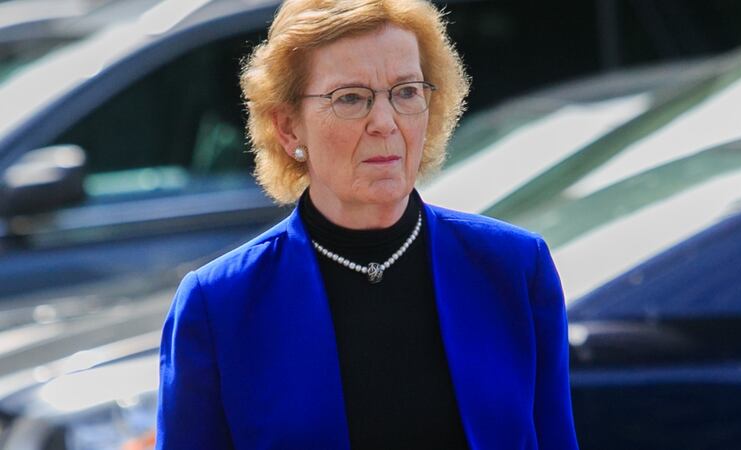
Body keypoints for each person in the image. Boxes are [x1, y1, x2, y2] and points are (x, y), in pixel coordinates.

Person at [156, 0, 579, 449]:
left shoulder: (514, 269)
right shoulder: (219, 304)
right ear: (288, 127)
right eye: (351, 98)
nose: (384, 122)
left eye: (406, 92)